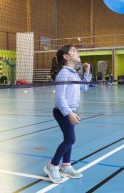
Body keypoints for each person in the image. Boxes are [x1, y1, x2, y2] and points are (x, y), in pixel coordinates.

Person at [44, 45, 92, 184]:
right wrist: (69, 113)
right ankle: (52, 165)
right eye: (74, 51)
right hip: (62, 111)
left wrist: (87, 72)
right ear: (66, 57)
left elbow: (84, 87)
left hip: (69, 110)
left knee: (68, 138)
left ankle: (66, 165)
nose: (78, 53)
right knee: (70, 139)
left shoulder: (73, 72)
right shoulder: (64, 73)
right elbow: (59, 99)